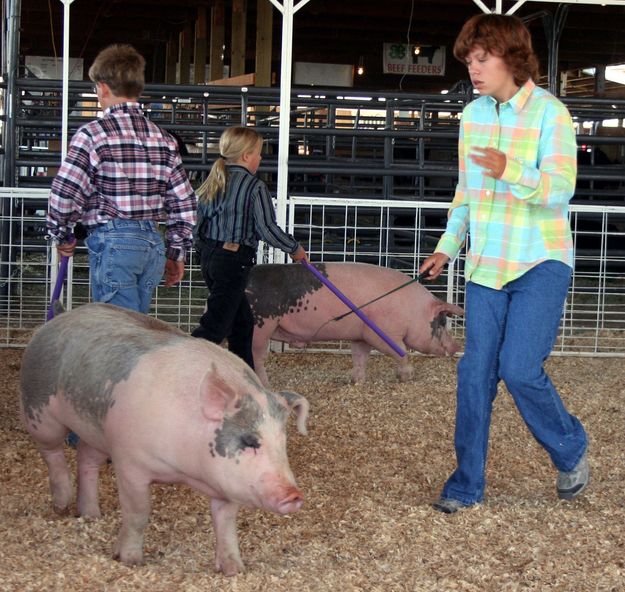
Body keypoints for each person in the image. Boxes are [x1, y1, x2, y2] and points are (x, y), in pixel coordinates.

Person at [419, 14, 588, 513]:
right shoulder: (472, 116)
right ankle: (466, 484)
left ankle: (571, 448)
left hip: (540, 258)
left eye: (482, 59)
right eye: (470, 61)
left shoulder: (550, 113)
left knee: (518, 369)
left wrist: (510, 169)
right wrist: (448, 246)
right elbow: (466, 192)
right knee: (474, 375)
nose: (474, 69)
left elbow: (561, 188)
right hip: (485, 265)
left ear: (511, 58)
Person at [47, 44, 197, 314]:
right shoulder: (164, 138)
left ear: (102, 88)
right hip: (152, 242)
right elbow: (184, 201)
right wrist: (176, 253)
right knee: (136, 326)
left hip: (114, 240)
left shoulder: (93, 134)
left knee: (118, 332)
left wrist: (62, 233)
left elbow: (66, 191)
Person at [191, 126, 307, 368]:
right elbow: (266, 229)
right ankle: (181, 367)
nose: (260, 158)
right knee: (215, 326)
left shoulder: (212, 182)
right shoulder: (255, 187)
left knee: (241, 324)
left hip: (211, 258)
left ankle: (244, 376)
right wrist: (294, 248)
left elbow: (197, 226)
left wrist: (206, 252)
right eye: (258, 153)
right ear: (246, 156)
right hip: (234, 261)